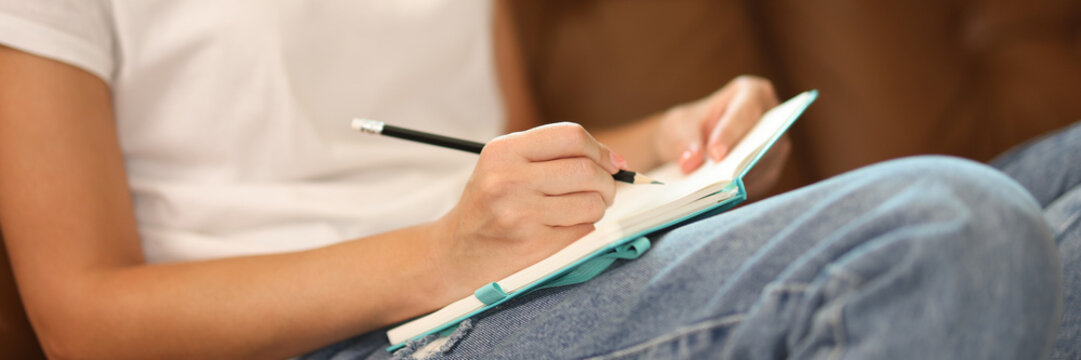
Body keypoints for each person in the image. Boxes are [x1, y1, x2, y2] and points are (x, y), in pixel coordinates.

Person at [0, 1, 1073, 359]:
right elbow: (80, 315)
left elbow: (495, 152)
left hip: (519, 280)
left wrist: (670, 134)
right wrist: (436, 258)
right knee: (950, 227)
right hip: (364, 332)